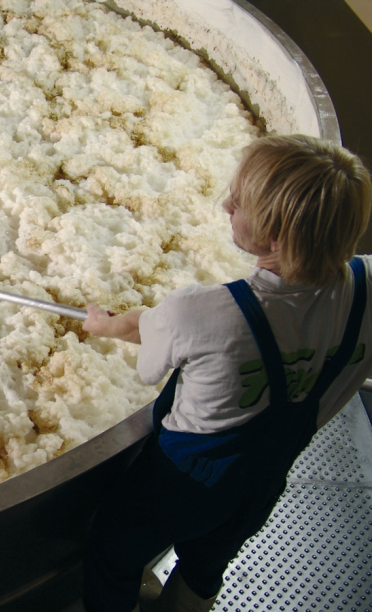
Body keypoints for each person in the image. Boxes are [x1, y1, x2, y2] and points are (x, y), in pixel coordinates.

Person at [80, 134, 372, 612]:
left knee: (112, 551)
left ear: (276, 238)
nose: (225, 206)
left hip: (179, 481)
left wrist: (106, 325)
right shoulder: (367, 288)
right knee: (208, 560)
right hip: (264, 480)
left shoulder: (203, 312)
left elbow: (149, 366)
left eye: (238, 203)